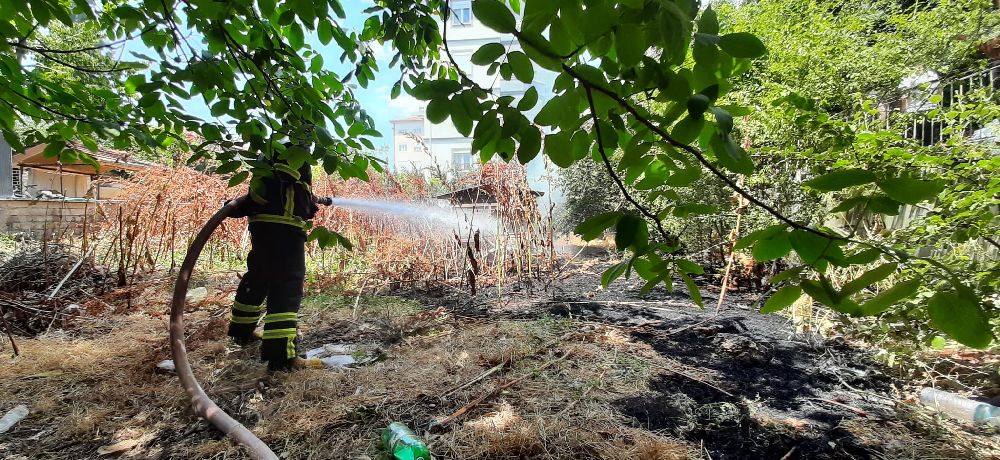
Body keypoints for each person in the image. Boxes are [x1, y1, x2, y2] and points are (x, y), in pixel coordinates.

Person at [225, 148, 330, 371]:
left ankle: (240, 332)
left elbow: (279, 189)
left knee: (259, 277)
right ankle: (282, 356)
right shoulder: (292, 150)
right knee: (286, 287)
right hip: (285, 228)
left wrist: (308, 203)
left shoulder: (272, 146)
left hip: (263, 226)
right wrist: (306, 202)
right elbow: (285, 183)